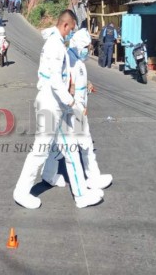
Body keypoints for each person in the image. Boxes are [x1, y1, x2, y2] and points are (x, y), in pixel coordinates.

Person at [13, 10, 101, 209]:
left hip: (54, 104)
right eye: (71, 29)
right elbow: (54, 81)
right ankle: (22, 191)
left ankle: (78, 193)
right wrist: (71, 102)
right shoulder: (55, 46)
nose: (71, 34)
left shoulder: (55, 43)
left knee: (62, 150)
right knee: (45, 151)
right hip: (52, 104)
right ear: (66, 26)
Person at [42, 28, 112, 199]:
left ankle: (53, 174)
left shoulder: (77, 60)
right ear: (79, 45)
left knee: (70, 145)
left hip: (77, 108)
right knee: (77, 145)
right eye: (87, 46)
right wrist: (76, 106)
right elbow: (66, 85)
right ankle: (87, 180)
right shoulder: (69, 60)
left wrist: (87, 84)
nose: (89, 49)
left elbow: (77, 82)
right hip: (72, 110)